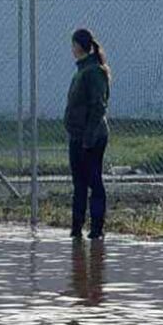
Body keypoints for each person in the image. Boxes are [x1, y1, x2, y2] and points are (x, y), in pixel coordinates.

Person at [65, 28, 111, 240]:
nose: (71, 49)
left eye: (73, 44)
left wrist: (88, 139)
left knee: (93, 180)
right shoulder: (82, 70)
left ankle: (97, 228)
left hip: (91, 138)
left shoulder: (94, 72)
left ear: (79, 46)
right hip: (78, 136)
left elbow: (98, 106)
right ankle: (76, 228)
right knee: (79, 183)